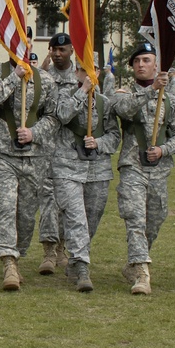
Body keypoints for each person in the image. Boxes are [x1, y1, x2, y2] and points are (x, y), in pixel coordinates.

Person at [111, 42, 175, 295]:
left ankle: (134, 262)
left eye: (146, 60)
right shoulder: (123, 93)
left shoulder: (172, 100)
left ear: (157, 65)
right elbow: (123, 110)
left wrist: (164, 150)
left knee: (154, 220)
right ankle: (142, 273)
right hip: (132, 166)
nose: (141, 65)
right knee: (135, 217)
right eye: (137, 61)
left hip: (159, 170)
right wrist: (151, 90)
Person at [0, 53, 59, 290]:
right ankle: (8, 261)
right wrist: (14, 78)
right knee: (6, 206)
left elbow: (53, 117)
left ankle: (18, 254)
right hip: (2, 154)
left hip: (35, 158)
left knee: (25, 213)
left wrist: (35, 133)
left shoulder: (45, 80)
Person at [52, 61, 120, 291]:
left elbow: (114, 136)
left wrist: (98, 142)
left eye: (93, 70)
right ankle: (82, 267)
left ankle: (73, 258)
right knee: (76, 217)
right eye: (83, 69)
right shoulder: (64, 94)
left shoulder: (105, 103)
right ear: (76, 72)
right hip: (67, 167)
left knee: (91, 218)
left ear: (99, 73)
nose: (88, 74)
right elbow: (61, 115)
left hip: (98, 170)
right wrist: (82, 91)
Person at [38, 32, 79, 267]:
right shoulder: (43, 78)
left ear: (71, 51)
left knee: (68, 203)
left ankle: (63, 247)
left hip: (72, 151)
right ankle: (48, 252)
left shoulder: (81, 79)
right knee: (47, 202)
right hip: (46, 150)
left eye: (62, 50)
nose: (57, 53)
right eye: (53, 49)